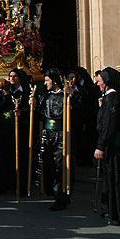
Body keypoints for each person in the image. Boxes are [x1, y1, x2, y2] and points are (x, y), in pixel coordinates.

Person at [32, 68, 80, 211]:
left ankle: (62, 196)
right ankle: (51, 190)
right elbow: (40, 116)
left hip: (62, 134)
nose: (45, 83)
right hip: (48, 135)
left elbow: (78, 114)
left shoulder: (67, 96)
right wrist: (34, 106)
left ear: (54, 81)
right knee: (49, 164)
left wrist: (72, 99)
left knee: (61, 166)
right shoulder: (45, 97)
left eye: (47, 81)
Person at [94, 67, 120, 226]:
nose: (98, 84)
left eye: (100, 81)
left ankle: (118, 215)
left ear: (107, 83)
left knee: (117, 180)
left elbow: (109, 125)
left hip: (116, 148)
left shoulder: (113, 98)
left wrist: (101, 146)